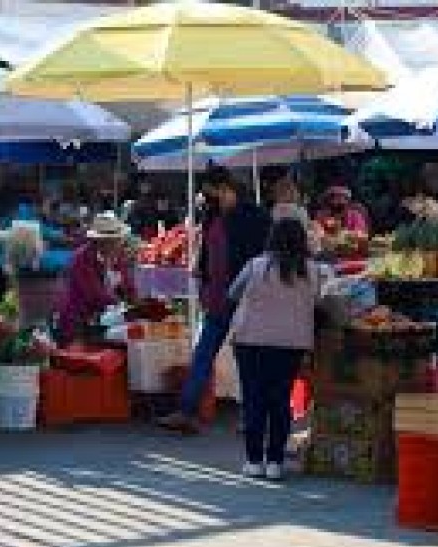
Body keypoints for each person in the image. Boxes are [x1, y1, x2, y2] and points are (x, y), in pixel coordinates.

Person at [158, 166, 270, 434]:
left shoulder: (253, 216)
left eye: (215, 195)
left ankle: (252, 416)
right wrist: (202, 269)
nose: (211, 201)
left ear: (227, 189)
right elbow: (208, 249)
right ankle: (186, 411)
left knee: (247, 359)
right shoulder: (212, 215)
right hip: (217, 298)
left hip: (245, 297)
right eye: (208, 197)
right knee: (203, 354)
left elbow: (260, 257)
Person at [229, 218, 326, 480]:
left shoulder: (256, 266)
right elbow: (317, 301)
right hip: (291, 344)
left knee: (253, 400)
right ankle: (275, 462)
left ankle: (253, 460)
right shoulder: (312, 270)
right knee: (280, 401)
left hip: (251, 340)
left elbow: (233, 293)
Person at [56, 212, 136, 345]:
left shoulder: (117, 258)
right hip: (78, 321)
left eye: (117, 239)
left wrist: (136, 305)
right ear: (99, 241)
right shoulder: (81, 259)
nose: (116, 243)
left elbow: (128, 286)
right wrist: (122, 306)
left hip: (105, 319)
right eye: (111, 240)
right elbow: (94, 294)